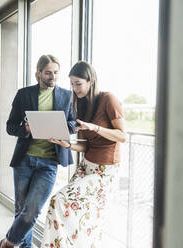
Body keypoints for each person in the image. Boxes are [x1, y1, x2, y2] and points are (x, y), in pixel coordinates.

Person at [41, 61, 127, 248]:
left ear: (91, 81)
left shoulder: (108, 99)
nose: (74, 88)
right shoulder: (82, 104)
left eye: (78, 83)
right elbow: (87, 146)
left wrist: (95, 127)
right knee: (80, 219)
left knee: (60, 201)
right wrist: (67, 144)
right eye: (72, 84)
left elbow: (122, 136)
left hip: (104, 172)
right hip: (85, 166)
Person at [0, 55, 75, 248]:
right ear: (39, 72)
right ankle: (25, 246)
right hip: (24, 160)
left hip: (49, 162)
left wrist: (62, 127)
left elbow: (74, 123)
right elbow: (10, 126)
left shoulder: (67, 96)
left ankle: (8, 242)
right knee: (21, 210)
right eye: (48, 72)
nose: (53, 76)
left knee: (32, 210)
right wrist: (24, 129)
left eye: (56, 72)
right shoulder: (24, 94)